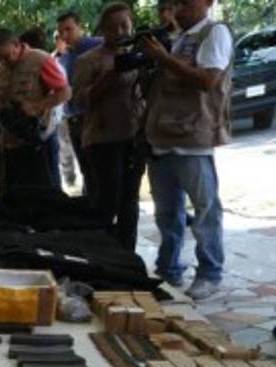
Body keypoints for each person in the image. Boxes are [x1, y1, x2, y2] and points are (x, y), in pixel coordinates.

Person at [141, 0, 233, 299]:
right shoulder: (179, 37)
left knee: (205, 210)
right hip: (161, 138)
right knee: (167, 213)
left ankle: (210, 273)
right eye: (176, 3)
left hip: (192, 138)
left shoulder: (213, 33)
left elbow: (208, 80)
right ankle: (169, 270)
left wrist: (163, 58)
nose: (180, 8)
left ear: (208, 2)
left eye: (187, 1)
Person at [73, 3, 146, 251]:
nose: (120, 31)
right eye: (113, 27)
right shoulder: (88, 60)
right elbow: (79, 100)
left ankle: (127, 255)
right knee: (107, 202)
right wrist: (108, 78)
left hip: (134, 137)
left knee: (130, 201)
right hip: (102, 140)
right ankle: (103, 253)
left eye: (125, 25)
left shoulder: (141, 54)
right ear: (103, 31)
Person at [0, 27, 72, 194]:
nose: (3, 61)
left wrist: (36, 106)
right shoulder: (0, 69)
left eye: (6, 56)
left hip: (39, 144)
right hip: (10, 146)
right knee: (14, 201)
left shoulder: (41, 60)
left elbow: (66, 92)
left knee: (45, 199)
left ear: (16, 44)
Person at [56, 11, 103, 194]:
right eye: (61, 32)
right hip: (73, 118)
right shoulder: (65, 55)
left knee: (98, 169)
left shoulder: (97, 45)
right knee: (87, 170)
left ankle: (101, 212)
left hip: (92, 117)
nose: (65, 35)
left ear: (80, 26)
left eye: (69, 29)